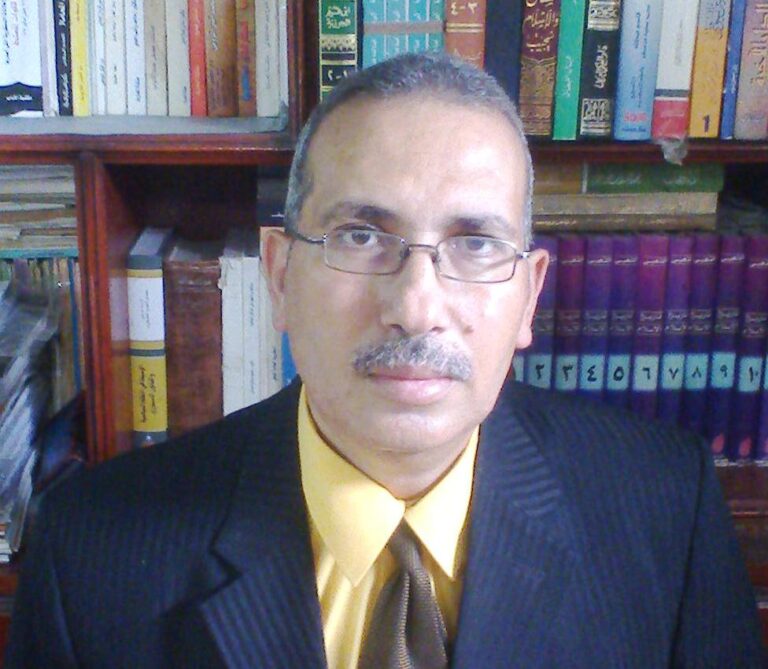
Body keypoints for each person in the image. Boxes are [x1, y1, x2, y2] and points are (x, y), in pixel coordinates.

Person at [6, 52, 764, 669]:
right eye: (362, 236)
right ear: (280, 275)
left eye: (475, 242)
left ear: (529, 297)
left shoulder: (667, 513)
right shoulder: (91, 554)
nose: (415, 304)